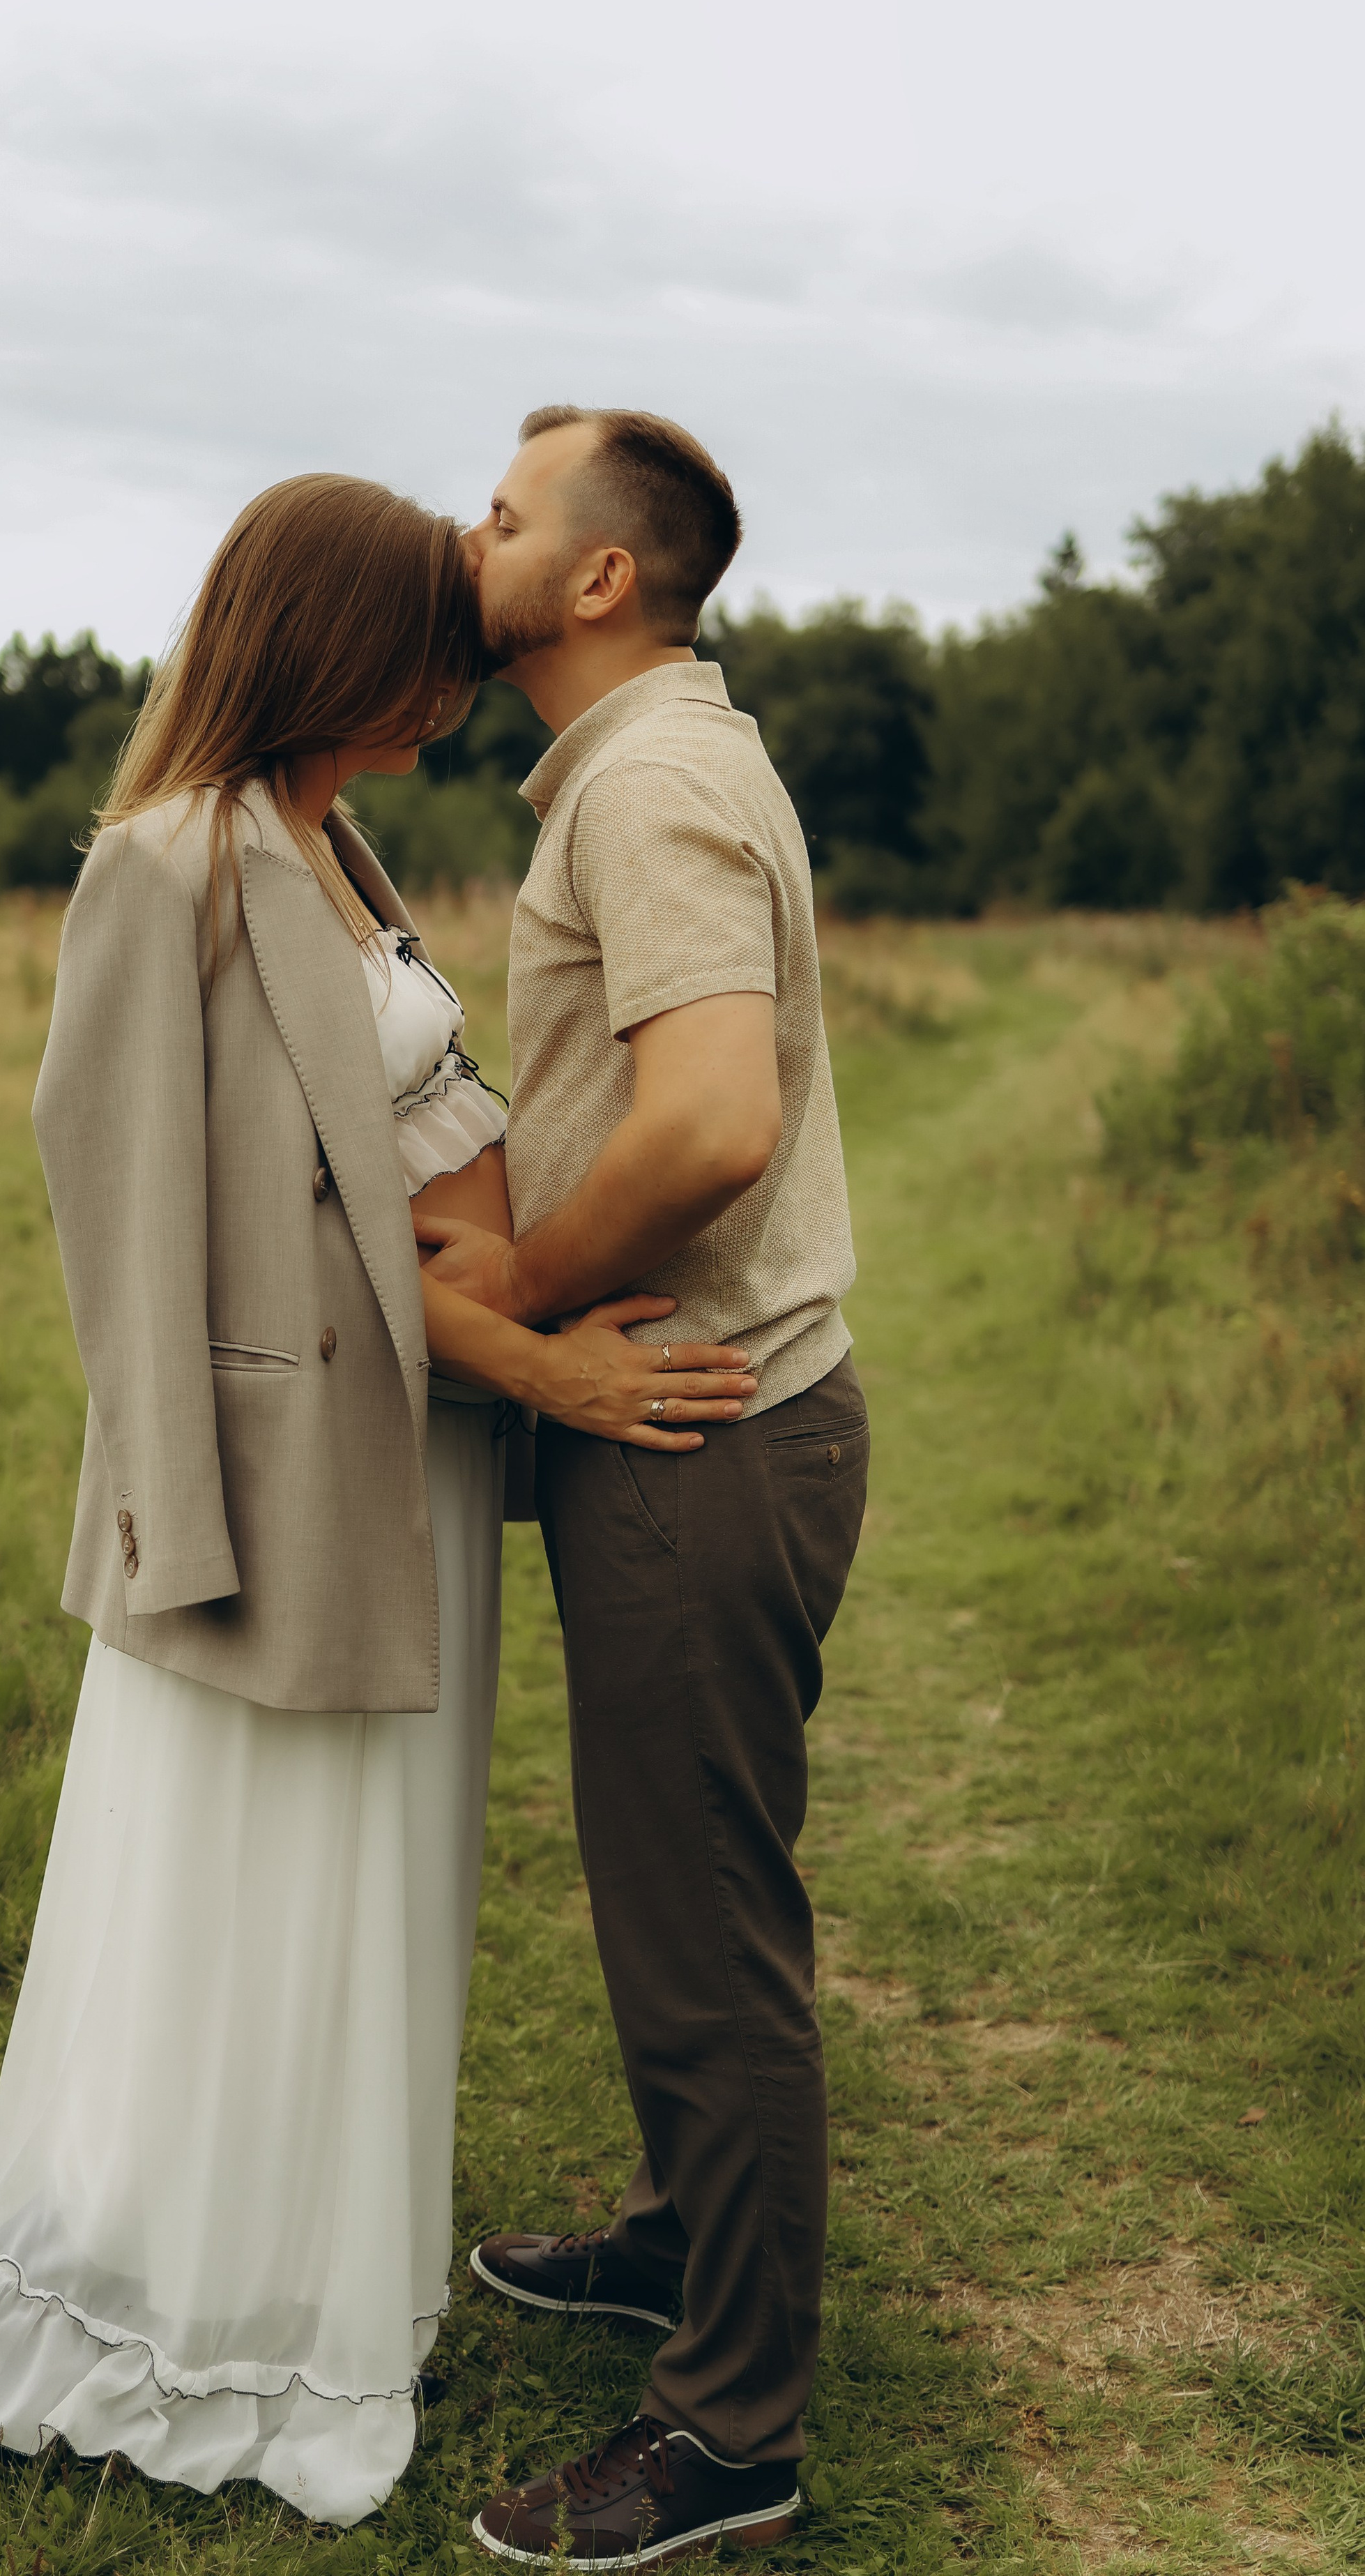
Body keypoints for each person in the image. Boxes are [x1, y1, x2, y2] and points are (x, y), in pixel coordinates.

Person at [0, 473, 755, 2532]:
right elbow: (153, 1227)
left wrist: (510, 1282)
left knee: (364, 1893)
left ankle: (307, 2270)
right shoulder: (165, 864)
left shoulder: (327, 841)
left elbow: (400, 1133)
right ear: (323, 644)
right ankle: (178, 2307)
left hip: (407, 1470)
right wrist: (532, 1355)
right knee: (237, 1895)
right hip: (274, 1497)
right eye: (424, 656)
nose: (455, 693)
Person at [418, 408, 869, 2567]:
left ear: (600, 579)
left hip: (696, 1420)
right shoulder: (649, 764)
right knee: (676, 1893)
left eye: (507, 515)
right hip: (706, 1407)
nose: (469, 533)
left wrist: (521, 1284)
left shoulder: (660, 781)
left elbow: (708, 1128)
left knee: (705, 1935)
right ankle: (695, 2243)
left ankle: (730, 2434)